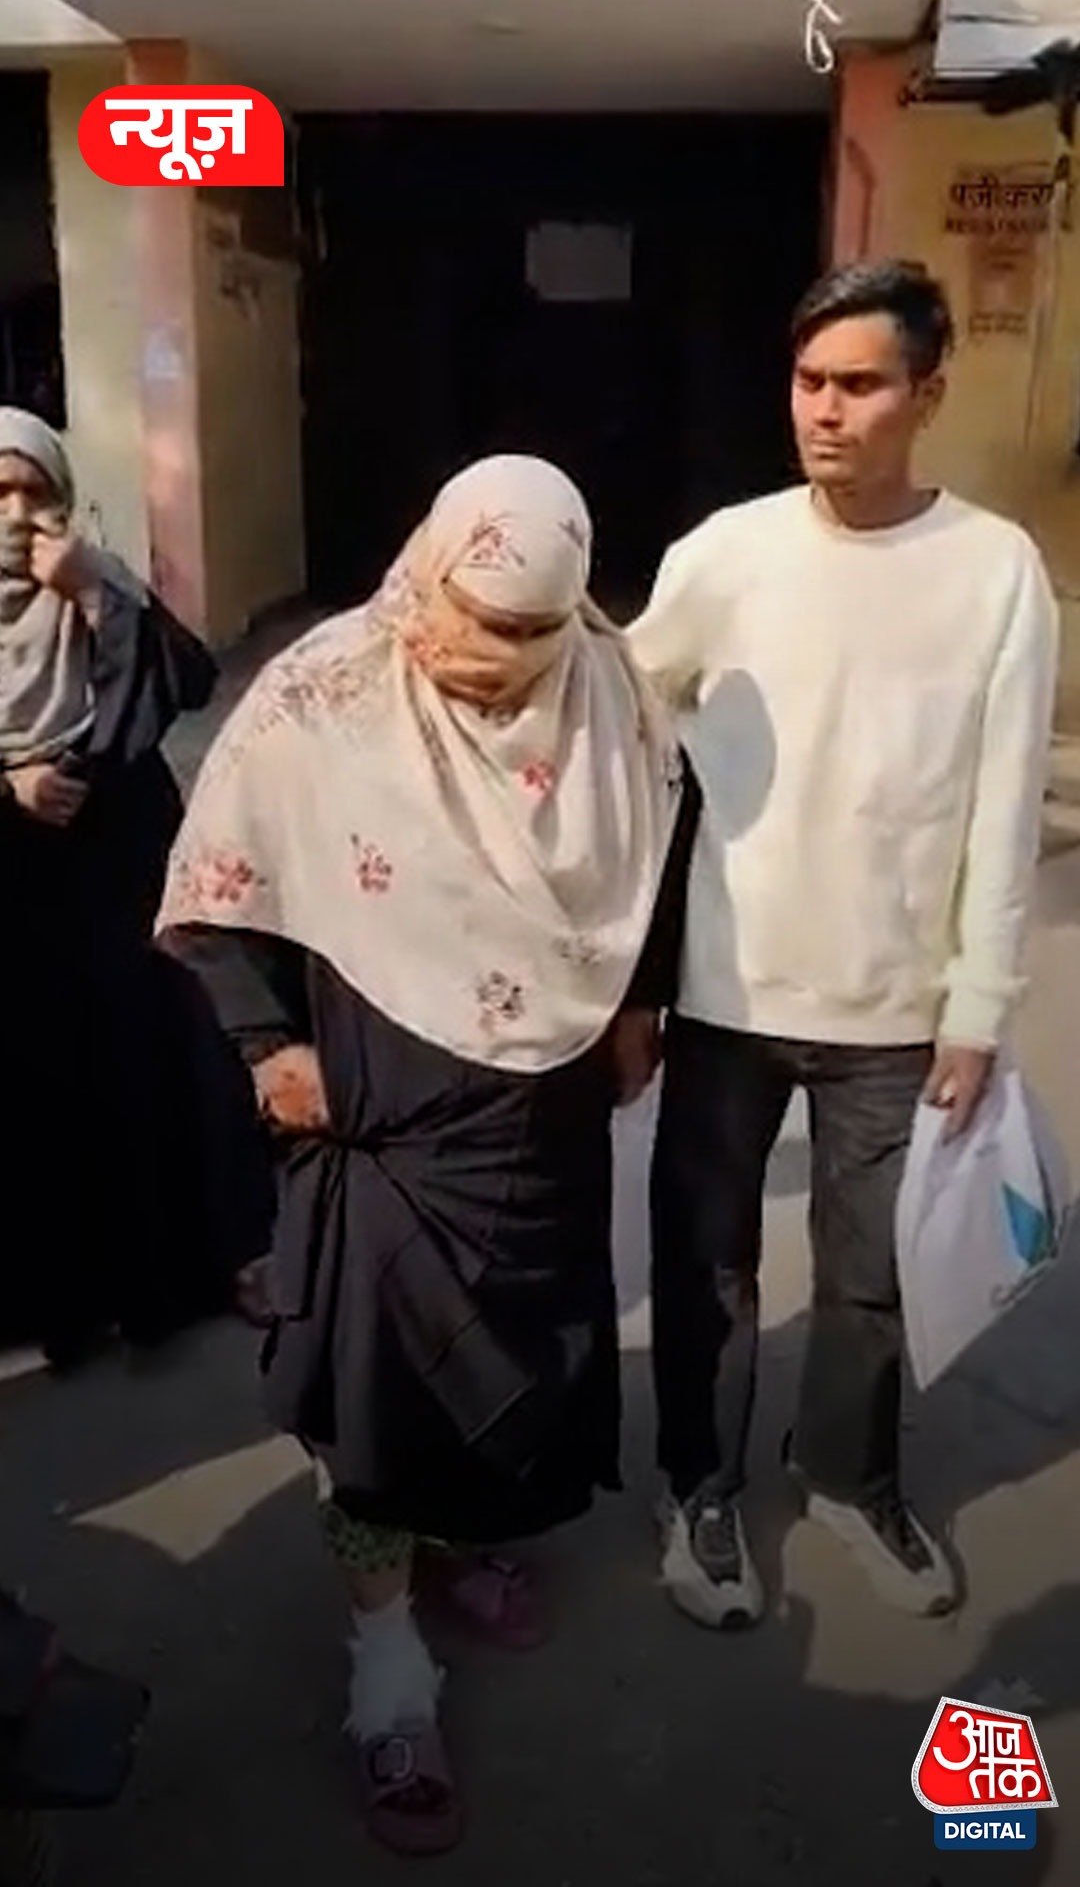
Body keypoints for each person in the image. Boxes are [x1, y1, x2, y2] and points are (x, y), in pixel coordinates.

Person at [157, 455, 697, 1854]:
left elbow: (663, 845)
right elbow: (219, 887)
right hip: (375, 1119)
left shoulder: (613, 697)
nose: (488, 656)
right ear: (427, 570)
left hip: (541, 1119)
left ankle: (465, 1543)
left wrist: (639, 1005)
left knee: (515, 1360)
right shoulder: (324, 694)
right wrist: (268, 1048)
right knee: (376, 1404)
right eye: (472, 616)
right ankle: (387, 1679)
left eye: (529, 631)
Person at [628, 260, 1058, 1630]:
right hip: (727, 993)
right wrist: (626, 982)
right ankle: (698, 1489)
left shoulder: (994, 571)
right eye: (810, 380)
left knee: (869, 1282)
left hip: (896, 1010)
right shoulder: (724, 555)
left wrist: (978, 1005)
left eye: (861, 384)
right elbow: (624, 740)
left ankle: (849, 1480)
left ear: (927, 395)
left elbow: (1005, 804)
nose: (824, 409)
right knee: (707, 1265)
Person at [0, 406, 232, 1369]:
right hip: (12, 892)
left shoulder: (100, 579)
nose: (17, 515)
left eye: (35, 491)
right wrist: (7, 786)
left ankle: (152, 1284)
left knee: (132, 1066)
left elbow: (189, 680)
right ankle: (49, 1298)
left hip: (111, 868)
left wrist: (97, 593)